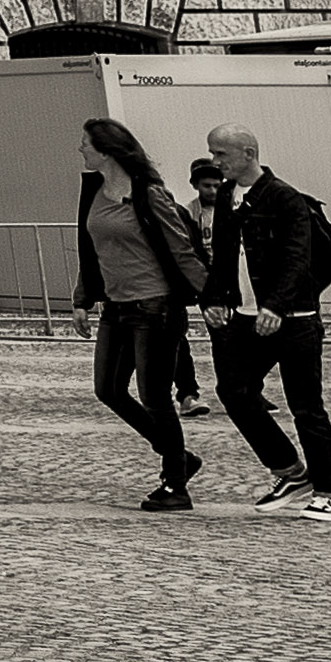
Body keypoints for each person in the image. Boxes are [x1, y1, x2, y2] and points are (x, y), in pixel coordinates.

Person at [198, 123, 331, 520]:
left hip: (294, 321)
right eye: (213, 154)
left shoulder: (284, 197)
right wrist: (212, 299)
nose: (215, 162)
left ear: (248, 154)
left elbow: (297, 258)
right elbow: (225, 256)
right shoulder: (229, 196)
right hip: (247, 320)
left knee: (306, 406)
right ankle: (288, 470)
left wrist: (276, 307)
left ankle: (330, 492)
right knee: (233, 390)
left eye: (222, 155)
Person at [73, 115, 209, 511]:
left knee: (155, 397)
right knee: (108, 390)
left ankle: (175, 484)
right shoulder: (93, 191)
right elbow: (91, 250)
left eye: (85, 143)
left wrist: (213, 299)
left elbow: (182, 249)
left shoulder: (149, 193)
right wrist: (82, 299)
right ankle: (180, 458)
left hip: (156, 307)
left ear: (107, 150)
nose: (80, 149)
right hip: (115, 307)